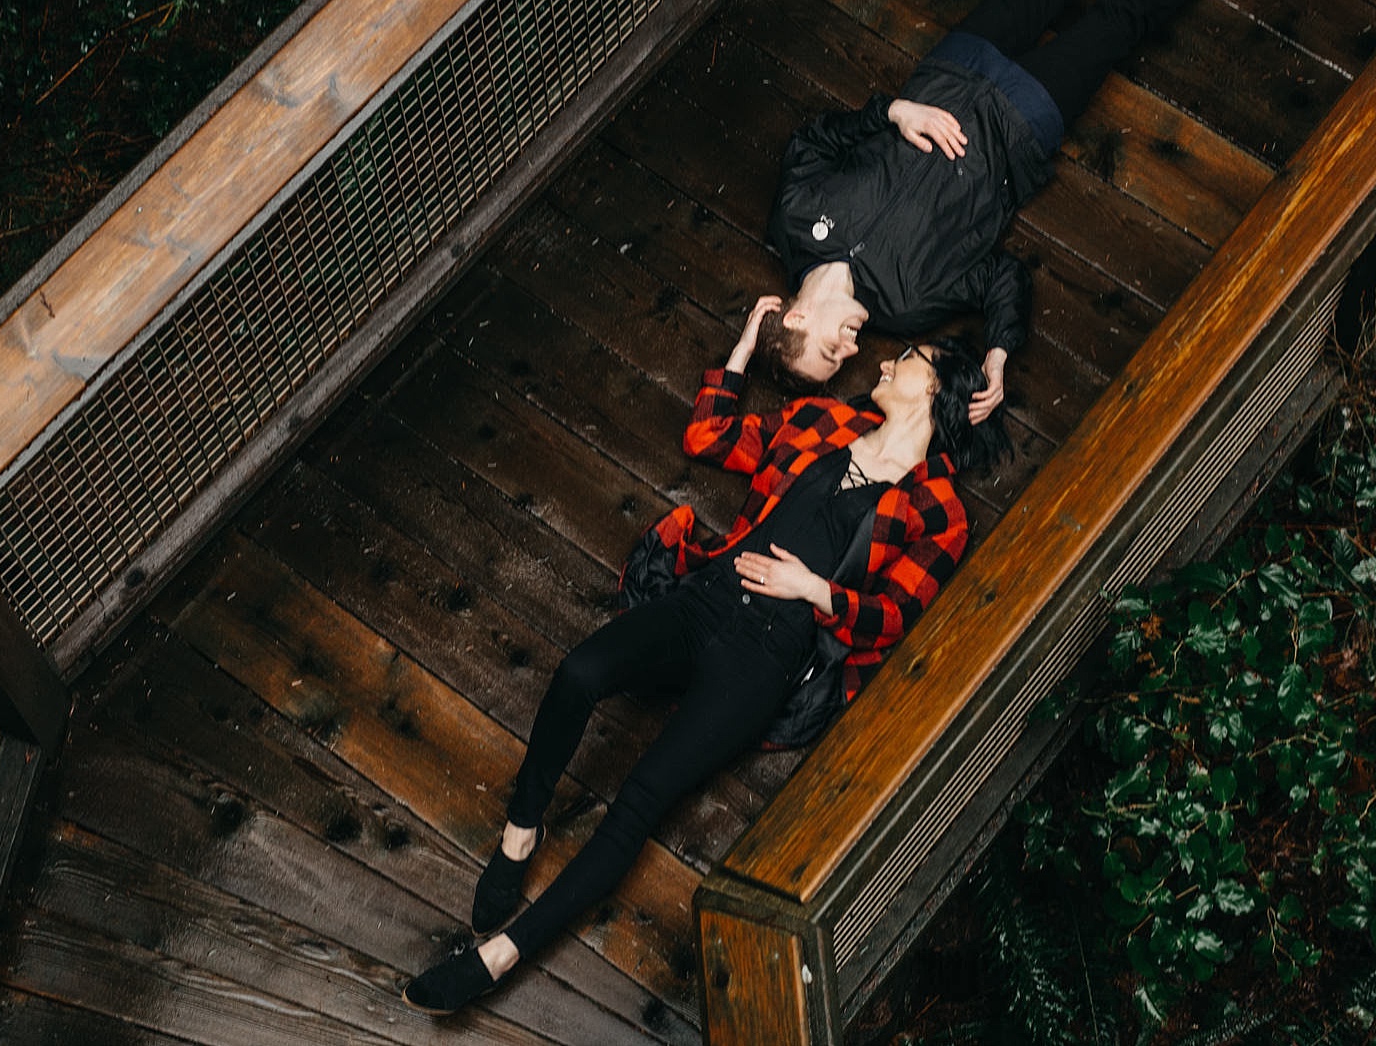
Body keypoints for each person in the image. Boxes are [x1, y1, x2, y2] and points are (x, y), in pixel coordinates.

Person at [403, 314, 982, 1011]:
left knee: (641, 800)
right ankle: (522, 829)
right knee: (579, 672)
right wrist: (743, 346)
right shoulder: (822, 421)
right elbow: (709, 434)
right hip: (708, 597)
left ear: (936, 385)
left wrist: (816, 589)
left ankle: (499, 956)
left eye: (908, 358)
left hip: (765, 657)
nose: (886, 363)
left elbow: (891, 616)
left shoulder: (941, 510)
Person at [763, 0, 1308, 419]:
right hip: (1022, 121)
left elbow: (814, 137)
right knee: (1125, 16)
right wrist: (998, 349)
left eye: (828, 350)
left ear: (794, 313)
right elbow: (1000, 276)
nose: (849, 351)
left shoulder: (795, 219)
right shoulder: (907, 304)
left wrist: (895, 109)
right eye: (841, 362)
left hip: (951, 69)